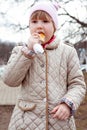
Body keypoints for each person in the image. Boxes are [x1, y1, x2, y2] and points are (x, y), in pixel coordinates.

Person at [2, 1, 86, 130]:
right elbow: (10, 80)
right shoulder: (20, 51)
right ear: (29, 26)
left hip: (59, 122)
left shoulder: (67, 52)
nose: (39, 26)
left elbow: (77, 84)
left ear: (54, 26)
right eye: (34, 22)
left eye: (45, 22)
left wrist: (68, 104)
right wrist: (27, 53)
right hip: (25, 122)